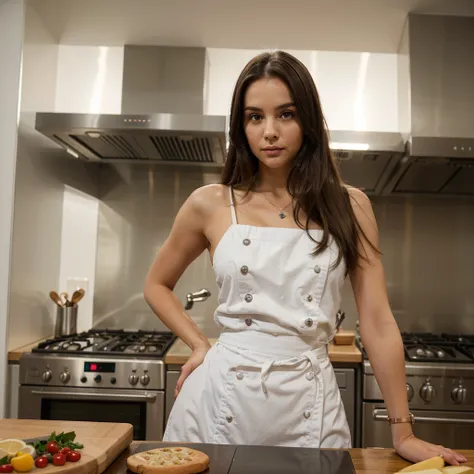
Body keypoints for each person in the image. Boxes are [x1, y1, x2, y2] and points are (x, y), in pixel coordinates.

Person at [144, 51, 466, 465]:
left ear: (308, 120)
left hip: (309, 403)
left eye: (286, 114)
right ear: (240, 127)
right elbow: (156, 285)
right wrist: (198, 342)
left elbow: (379, 322)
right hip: (215, 401)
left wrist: (403, 432)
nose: (270, 132)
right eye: (254, 117)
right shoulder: (209, 203)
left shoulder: (351, 205)